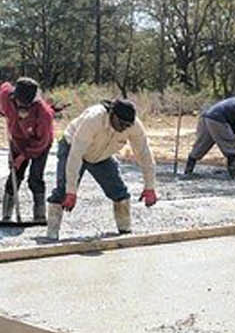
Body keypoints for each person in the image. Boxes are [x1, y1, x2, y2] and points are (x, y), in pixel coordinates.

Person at [46, 97, 158, 239]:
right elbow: (75, 156)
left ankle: (125, 232)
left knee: (119, 192)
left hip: (101, 156)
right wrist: (71, 192)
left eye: (127, 125)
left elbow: (144, 155)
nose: (124, 128)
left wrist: (150, 187)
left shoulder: (134, 126)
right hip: (72, 148)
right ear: (112, 114)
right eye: (121, 123)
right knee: (63, 192)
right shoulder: (93, 120)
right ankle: (51, 235)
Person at [0, 76, 54, 222]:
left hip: (40, 144)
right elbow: (4, 86)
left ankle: (39, 216)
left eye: (25, 104)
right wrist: (17, 156)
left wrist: (22, 157)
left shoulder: (44, 114)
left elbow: (42, 141)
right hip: (17, 141)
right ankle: (6, 216)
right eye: (18, 102)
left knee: (35, 178)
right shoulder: (6, 97)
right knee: (15, 175)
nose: (21, 106)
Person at [184, 94, 235, 178]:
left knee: (201, 146)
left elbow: (233, 122)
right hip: (217, 120)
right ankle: (234, 175)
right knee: (231, 148)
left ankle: (188, 172)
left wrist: (229, 133)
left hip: (207, 118)